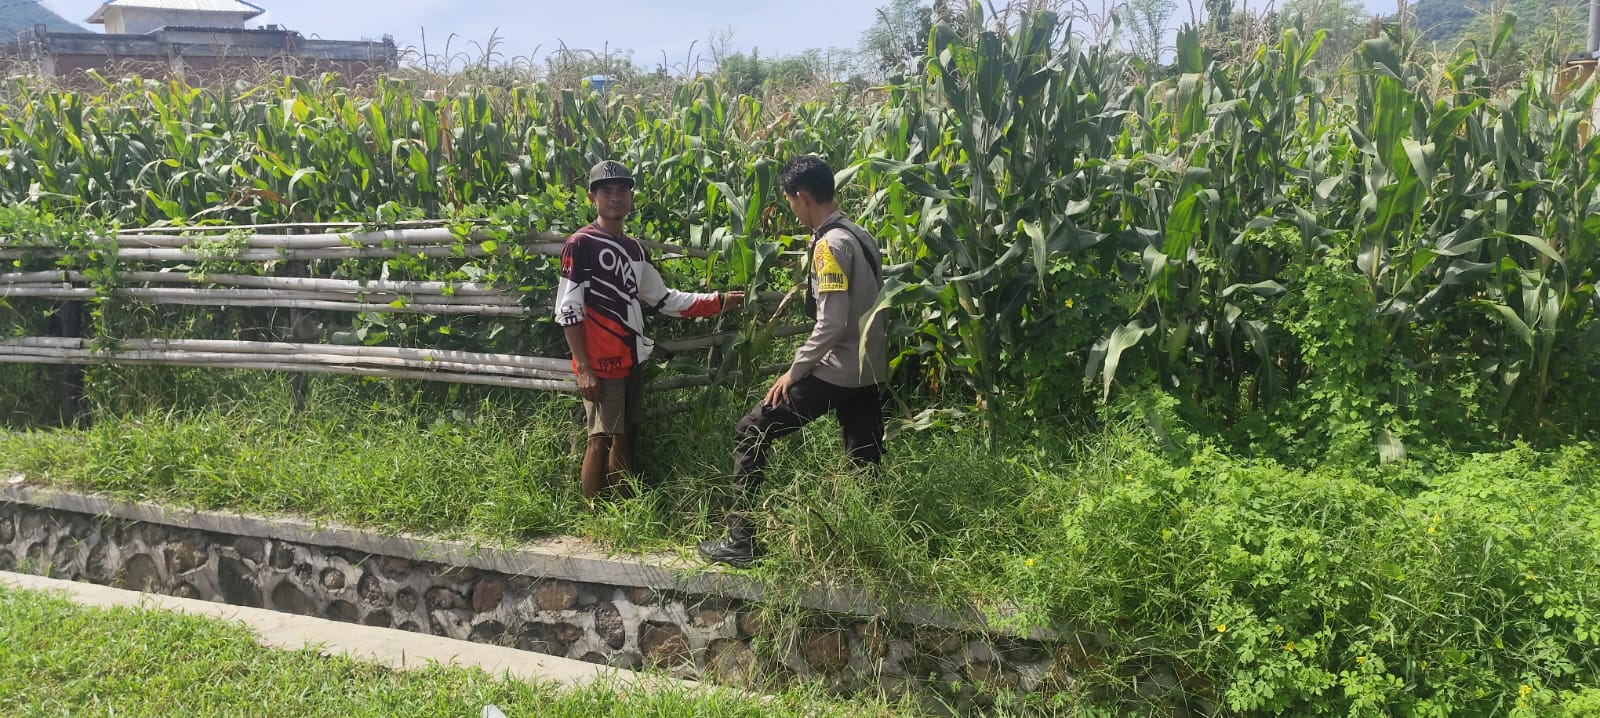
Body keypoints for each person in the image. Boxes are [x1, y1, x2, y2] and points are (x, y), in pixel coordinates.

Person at [698, 155, 887, 568]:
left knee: (751, 430)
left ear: (801, 196)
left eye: (789, 200)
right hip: (869, 369)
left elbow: (832, 322)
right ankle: (867, 551)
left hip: (839, 368)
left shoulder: (829, 245)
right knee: (864, 459)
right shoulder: (860, 234)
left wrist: (793, 371)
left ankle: (741, 540)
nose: (791, 208)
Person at [555, 160, 745, 501]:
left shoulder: (634, 249)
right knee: (599, 438)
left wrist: (718, 301)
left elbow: (664, 299)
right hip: (600, 360)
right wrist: (583, 368)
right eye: (606, 192)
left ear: (630, 197)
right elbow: (568, 310)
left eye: (622, 191)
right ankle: (593, 516)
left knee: (628, 432)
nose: (615, 198)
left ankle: (623, 505)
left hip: (631, 355)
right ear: (592, 198)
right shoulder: (580, 245)